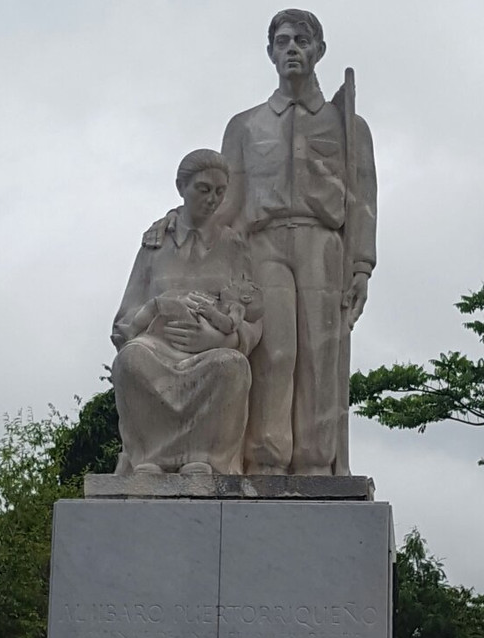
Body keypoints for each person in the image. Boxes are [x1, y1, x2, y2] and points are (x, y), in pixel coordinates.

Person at [146, 9, 377, 475]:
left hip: (322, 243)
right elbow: (222, 199)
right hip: (262, 243)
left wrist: (361, 266)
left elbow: (363, 201)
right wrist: (176, 219)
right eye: (283, 41)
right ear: (270, 51)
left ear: (319, 51)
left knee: (320, 351)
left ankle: (315, 461)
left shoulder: (347, 125)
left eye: (302, 41)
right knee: (274, 351)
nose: (292, 48)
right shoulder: (245, 126)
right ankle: (267, 458)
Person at [111, 149, 262, 475]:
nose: (212, 199)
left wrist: (222, 338)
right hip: (156, 348)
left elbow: (253, 317)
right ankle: (149, 458)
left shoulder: (233, 246)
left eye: (220, 192)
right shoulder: (155, 243)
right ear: (182, 187)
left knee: (232, 366)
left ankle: (206, 458)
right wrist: (154, 311)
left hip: (212, 352)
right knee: (129, 360)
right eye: (203, 189)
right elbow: (124, 320)